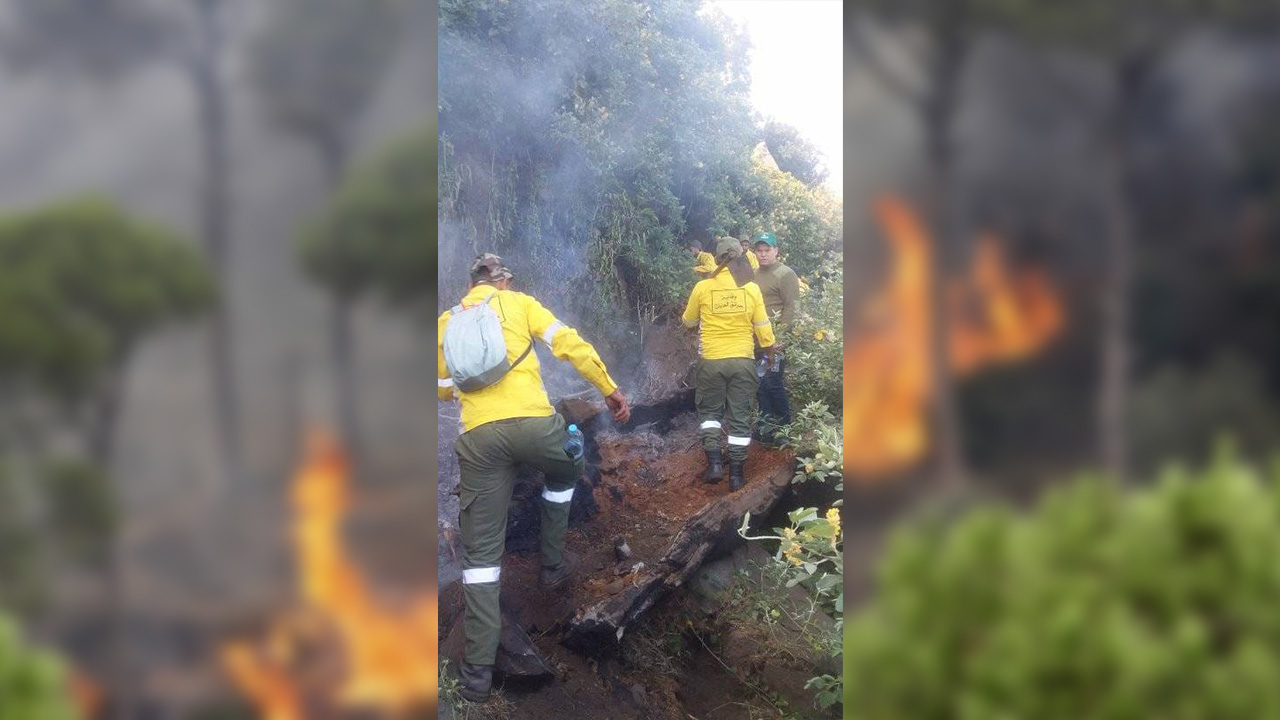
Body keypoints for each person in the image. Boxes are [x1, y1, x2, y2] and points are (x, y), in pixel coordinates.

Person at [438, 253, 631, 703]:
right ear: (502, 280)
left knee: (483, 556)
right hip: (535, 428)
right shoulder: (521, 303)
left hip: (479, 438)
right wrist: (609, 388)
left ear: (471, 285)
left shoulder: (447, 321)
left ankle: (477, 675)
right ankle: (551, 565)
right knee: (568, 466)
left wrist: (470, 392)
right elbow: (569, 344)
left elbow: (441, 385)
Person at [682, 237, 775, 491]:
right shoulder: (751, 289)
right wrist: (770, 351)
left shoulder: (703, 287)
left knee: (710, 414)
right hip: (742, 361)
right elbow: (763, 327)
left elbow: (688, 322)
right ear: (741, 258)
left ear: (717, 257)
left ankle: (713, 464)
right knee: (740, 418)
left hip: (711, 361)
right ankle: (735, 476)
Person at [751, 231, 800, 440]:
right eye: (759, 251)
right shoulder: (753, 275)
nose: (762, 254)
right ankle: (766, 429)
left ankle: (785, 429)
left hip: (775, 341)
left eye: (767, 250)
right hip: (755, 340)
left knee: (773, 382)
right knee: (760, 384)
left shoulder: (786, 274)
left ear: (776, 251)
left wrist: (781, 338)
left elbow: (792, 307)